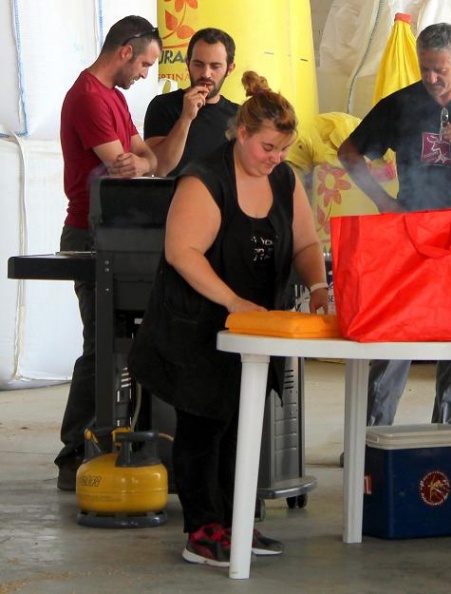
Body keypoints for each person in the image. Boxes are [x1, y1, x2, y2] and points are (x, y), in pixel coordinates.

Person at [127, 71, 328, 567]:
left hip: (256, 327)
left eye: (282, 150)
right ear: (241, 134)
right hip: (197, 323)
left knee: (244, 423)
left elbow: (304, 242)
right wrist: (234, 303)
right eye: (266, 148)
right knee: (204, 425)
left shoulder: (282, 178)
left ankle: (238, 520)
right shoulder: (204, 177)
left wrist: (319, 286)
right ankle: (202, 529)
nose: (275, 159)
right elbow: (182, 253)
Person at [337, 22, 451, 428]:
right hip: (410, 230)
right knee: (395, 331)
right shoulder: (401, 104)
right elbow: (350, 152)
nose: (431, 78)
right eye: (424, 68)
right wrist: (383, 201)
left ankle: (446, 429)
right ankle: (374, 433)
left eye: (440, 70)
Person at [56, 16, 161, 491]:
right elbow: (121, 167)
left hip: (121, 238)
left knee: (124, 345)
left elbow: (146, 159)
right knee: (101, 347)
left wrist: (141, 162)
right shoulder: (88, 98)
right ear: (124, 51)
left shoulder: (116, 98)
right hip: (90, 236)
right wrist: (138, 163)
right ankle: (72, 453)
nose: (144, 74)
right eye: (144, 62)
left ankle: (120, 438)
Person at [144, 27, 238, 176]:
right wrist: (186, 118)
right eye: (198, 64)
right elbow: (159, 168)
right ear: (187, 63)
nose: (206, 74)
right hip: (172, 198)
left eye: (215, 66)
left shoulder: (239, 115)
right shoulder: (162, 106)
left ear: (230, 69)